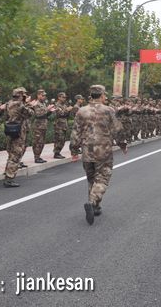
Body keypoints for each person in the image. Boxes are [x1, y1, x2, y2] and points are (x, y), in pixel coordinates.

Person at [70, 85, 127, 224]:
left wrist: (73, 149)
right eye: (104, 95)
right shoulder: (108, 110)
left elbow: (75, 132)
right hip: (103, 151)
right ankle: (92, 202)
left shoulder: (81, 111)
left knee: (91, 179)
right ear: (101, 95)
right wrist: (123, 144)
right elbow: (117, 129)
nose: (105, 97)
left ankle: (95, 207)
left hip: (87, 151)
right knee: (102, 178)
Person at [3, 88, 36, 188]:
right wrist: (30, 104)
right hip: (18, 132)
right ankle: (9, 178)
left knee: (11, 154)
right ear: (21, 95)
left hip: (11, 130)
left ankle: (7, 174)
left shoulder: (9, 103)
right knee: (16, 155)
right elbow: (30, 113)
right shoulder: (20, 105)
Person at [31, 89, 55, 164]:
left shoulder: (43, 103)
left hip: (43, 125)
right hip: (38, 125)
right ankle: (36, 157)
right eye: (42, 95)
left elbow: (44, 115)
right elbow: (38, 114)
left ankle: (38, 156)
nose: (44, 97)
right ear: (38, 95)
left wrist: (50, 112)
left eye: (44, 95)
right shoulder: (36, 103)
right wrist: (47, 110)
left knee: (41, 142)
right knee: (37, 142)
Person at [52, 92, 71, 160]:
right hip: (59, 125)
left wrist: (68, 111)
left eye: (65, 97)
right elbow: (60, 114)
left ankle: (58, 152)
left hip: (64, 124)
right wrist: (67, 110)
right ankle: (56, 153)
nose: (64, 99)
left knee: (63, 139)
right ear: (59, 97)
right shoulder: (56, 105)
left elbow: (66, 115)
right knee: (59, 139)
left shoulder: (64, 105)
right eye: (63, 97)